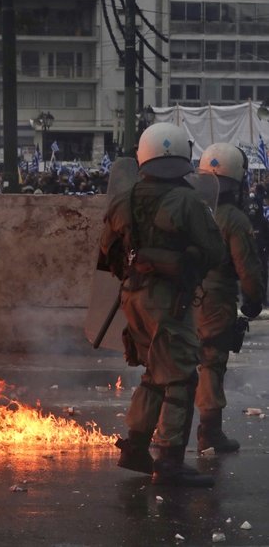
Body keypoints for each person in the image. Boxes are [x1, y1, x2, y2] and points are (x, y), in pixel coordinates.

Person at [99, 122, 224, 487]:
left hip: (132, 296)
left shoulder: (124, 200)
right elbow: (214, 252)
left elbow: (107, 256)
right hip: (170, 301)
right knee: (182, 376)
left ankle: (135, 446)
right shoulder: (188, 201)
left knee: (155, 374)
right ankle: (169, 461)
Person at [193, 144, 264, 453]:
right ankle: (209, 432)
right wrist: (253, 300)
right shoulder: (233, 219)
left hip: (178, 296)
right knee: (210, 364)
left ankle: (164, 431)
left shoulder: (186, 207)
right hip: (215, 301)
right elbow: (247, 267)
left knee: (174, 364)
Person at [243, 185, 269, 304]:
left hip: (260, 251)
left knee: (262, 274)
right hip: (249, 252)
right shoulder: (243, 222)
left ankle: (261, 298)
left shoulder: (263, 222)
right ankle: (249, 299)